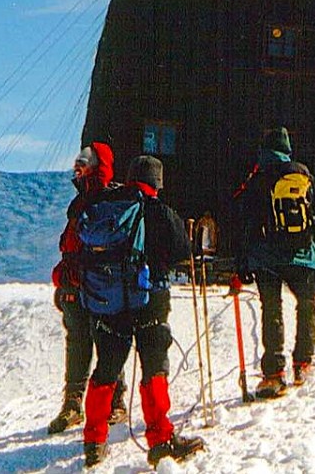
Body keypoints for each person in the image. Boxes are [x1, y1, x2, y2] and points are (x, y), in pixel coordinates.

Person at [82, 155, 205, 468]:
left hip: (109, 303)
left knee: (106, 369)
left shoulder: (107, 207)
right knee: (153, 368)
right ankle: (160, 440)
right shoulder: (159, 211)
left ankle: (94, 441)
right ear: (157, 183)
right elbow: (181, 251)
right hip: (149, 299)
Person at [234, 126, 315, 398]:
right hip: (302, 255)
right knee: (306, 304)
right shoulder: (304, 176)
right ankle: (303, 362)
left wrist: (245, 262)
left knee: (271, 309)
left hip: (266, 257)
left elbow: (246, 224)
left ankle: (274, 373)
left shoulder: (257, 178)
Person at [48, 142, 127, 434]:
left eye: (82, 165)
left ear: (96, 167)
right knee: (78, 343)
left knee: (107, 342)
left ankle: (115, 401)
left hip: (102, 286)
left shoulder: (111, 200)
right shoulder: (79, 202)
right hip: (75, 287)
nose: (77, 171)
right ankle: (72, 404)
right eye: (76, 166)